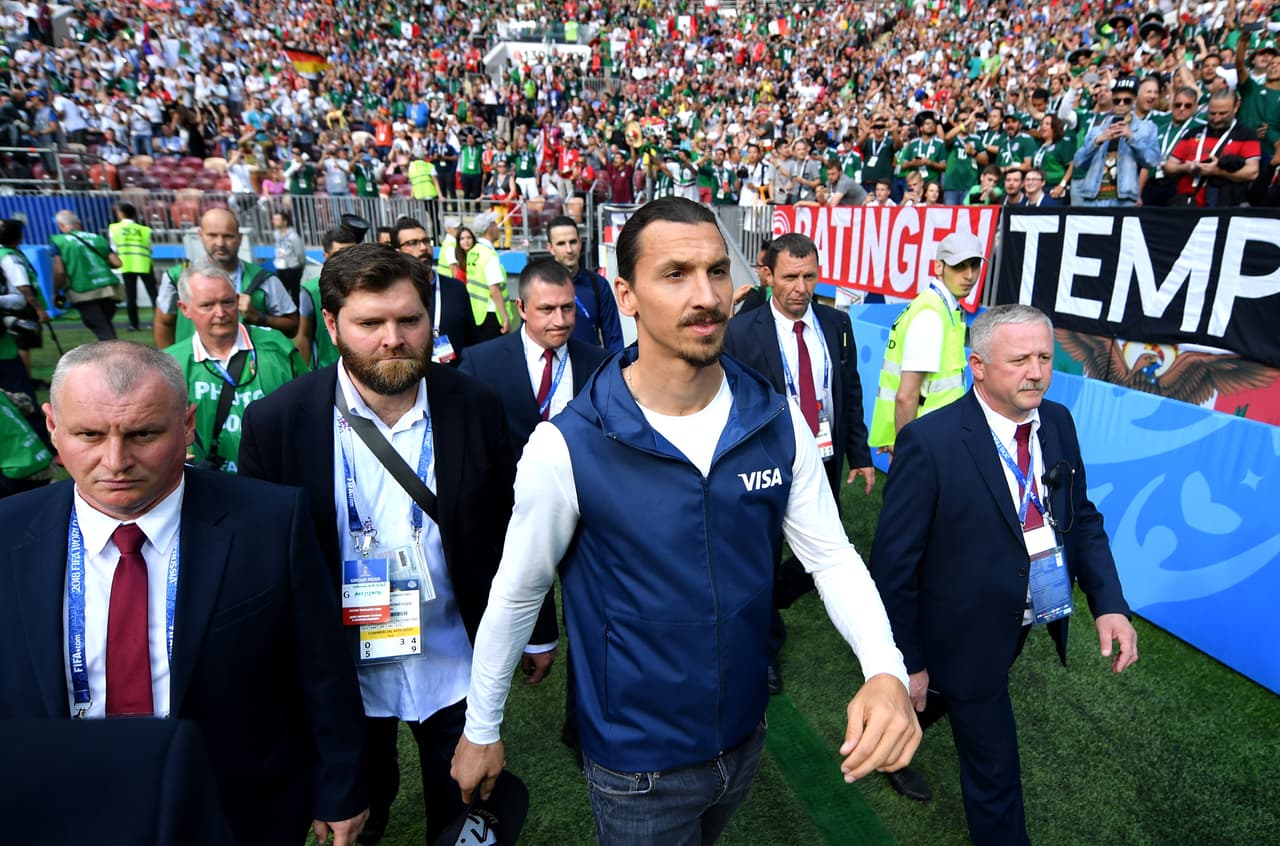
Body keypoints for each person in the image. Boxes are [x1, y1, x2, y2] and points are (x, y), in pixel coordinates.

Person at [451, 197, 920, 845]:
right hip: (634, 765)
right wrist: (481, 727)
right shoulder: (568, 446)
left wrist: (884, 667)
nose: (706, 294)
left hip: (744, 734)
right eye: (675, 274)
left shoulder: (774, 419)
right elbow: (519, 590)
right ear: (627, 294)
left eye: (717, 271)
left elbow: (832, 557)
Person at [238, 244, 558, 845]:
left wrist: (538, 628)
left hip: (453, 656)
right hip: (341, 668)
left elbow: (511, 526)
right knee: (357, 808)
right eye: (369, 323)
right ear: (331, 326)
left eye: (409, 320)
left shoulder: (476, 405)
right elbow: (264, 569)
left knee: (464, 810)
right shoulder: (277, 422)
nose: (393, 339)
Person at [0, 340, 367, 846]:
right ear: (52, 426)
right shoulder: (7, 532)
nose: (116, 460)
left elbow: (322, 666)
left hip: (229, 805)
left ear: (187, 424)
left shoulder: (270, 521)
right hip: (55, 802)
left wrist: (341, 786)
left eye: (143, 434)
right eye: (89, 434)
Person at [871, 305, 1138, 846]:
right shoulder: (931, 442)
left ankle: (892, 734)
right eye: (1019, 360)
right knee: (996, 770)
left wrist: (1109, 603)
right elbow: (893, 567)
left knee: (941, 698)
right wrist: (907, 665)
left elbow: (1079, 518)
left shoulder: (1058, 421)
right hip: (959, 635)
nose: (1036, 371)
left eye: (1043, 357)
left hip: (1017, 620)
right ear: (979, 366)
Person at [723, 232, 877, 694]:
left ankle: (772, 600)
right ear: (768, 275)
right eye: (790, 276)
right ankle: (765, 644)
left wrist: (861, 454)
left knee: (824, 548)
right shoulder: (741, 332)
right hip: (766, 461)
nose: (801, 287)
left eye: (810, 276)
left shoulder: (836, 323)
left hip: (825, 455)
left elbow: (849, 390)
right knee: (763, 553)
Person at [165, 259, 308, 473]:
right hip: (210, 486)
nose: (221, 313)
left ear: (239, 300)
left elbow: (310, 409)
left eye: (227, 302)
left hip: (278, 480)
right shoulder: (170, 364)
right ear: (184, 308)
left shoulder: (278, 348)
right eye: (207, 305)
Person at [460, 258, 607, 457]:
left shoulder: (600, 364)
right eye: (547, 309)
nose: (560, 321)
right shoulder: (481, 364)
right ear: (521, 308)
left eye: (567, 308)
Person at [868, 231, 983, 456]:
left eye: (974, 265)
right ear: (939, 267)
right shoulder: (931, 314)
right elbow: (906, 395)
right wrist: (905, 454)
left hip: (934, 437)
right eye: (959, 266)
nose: (969, 275)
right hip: (927, 442)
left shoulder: (939, 308)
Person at [154, 208, 298, 349]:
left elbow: (292, 327)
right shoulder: (177, 277)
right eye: (212, 235)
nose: (220, 243)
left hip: (250, 370)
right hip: (194, 370)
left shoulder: (264, 279)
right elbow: (164, 323)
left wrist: (259, 317)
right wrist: (170, 367)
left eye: (228, 236)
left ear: (240, 238)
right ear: (201, 236)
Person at [392, 216, 476, 367]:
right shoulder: (391, 294)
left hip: (456, 379)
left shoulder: (456, 288)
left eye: (426, 241)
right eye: (412, 243)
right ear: (397, 252)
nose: (423, 247)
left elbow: (472, 340)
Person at [1073, 76, 1161, 207]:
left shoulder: (1146, 128)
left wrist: (1132, 137)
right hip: (1092, 197)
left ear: (1135, 101)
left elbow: (1152, 161)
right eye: (1117, 100)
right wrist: (1097, 141)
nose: (1121, 104)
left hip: (1124, 199)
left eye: (1126, 100)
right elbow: (1079, 162)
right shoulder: (1097, 130)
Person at [1165, 89, 1261, 207]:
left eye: (1222, 113)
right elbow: (1169, 166)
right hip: (1185, 203)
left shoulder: (1246, 135)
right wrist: (1187, 167)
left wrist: (1217, 171)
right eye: (1212, 113)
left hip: (1221, 206)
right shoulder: (1193, 132)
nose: (1216, 118)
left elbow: (1252, 172)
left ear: (1235, 108)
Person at [545, 215, 624, 353]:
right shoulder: (540, 287)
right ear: (550, 248)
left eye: (573, 242)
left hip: (591, 371)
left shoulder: (598, 285)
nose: (569, 249)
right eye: (561, 243)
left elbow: (614, 338)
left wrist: (617, 369)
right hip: (551, 371)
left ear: (581, 243)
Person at [50, 210, 122, 341]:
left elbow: (59, 271)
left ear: (61, 225)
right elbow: (117, 263)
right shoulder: (97, 238)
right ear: (79, 224)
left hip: (82, 290)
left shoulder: (59, 241)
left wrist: (55, 292)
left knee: (104, 332)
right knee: (105, 327)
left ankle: (116, 357)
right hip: (108, 289)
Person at [297, 225, 362, 368]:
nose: (346, 262)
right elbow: (304, 336)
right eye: (338, 256)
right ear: (325, 257)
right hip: (328, 369)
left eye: (351, 255)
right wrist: (304, 372)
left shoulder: (367, 285)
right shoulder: (311, 291)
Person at [108, 202, 158, 333]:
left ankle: (134, 325)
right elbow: (150, 248)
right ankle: (159, 323)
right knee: (154, 296)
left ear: (121, 213)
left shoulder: (114, 228)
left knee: (131, 297)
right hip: (144, 263)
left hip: (127, 264)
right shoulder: (145, 230)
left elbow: (113, 248)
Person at [464, 211, 512, 342]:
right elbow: (494, 290)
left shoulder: (473, 252)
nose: (498, 228)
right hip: (492, 313)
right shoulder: (489, 255)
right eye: (495, 224)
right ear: (490, 228)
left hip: (478, 312)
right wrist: (505, 318)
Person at [271, 209, 306, 304]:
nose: (274, 221)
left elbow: (300, 253)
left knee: (295, 292)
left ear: (285, 222)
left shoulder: (293, 237)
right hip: (280, 267)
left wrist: (300, 266)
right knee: (282, 292)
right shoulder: (276, 235)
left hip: (292, 267)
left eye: (277, 219)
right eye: (274, 219)